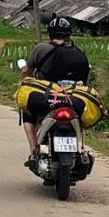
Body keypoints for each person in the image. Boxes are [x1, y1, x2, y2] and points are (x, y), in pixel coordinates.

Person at [20, 14, 91, 161]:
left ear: (50, 33)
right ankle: (80, 147)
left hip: (48, 97)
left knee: (28, 113)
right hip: (73, 97)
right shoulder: (79, 52)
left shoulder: (41, 49)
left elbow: (26, 70)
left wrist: (22, 83)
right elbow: (85, 79)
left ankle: (34, 151)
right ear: (68, 34)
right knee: (79, 118)